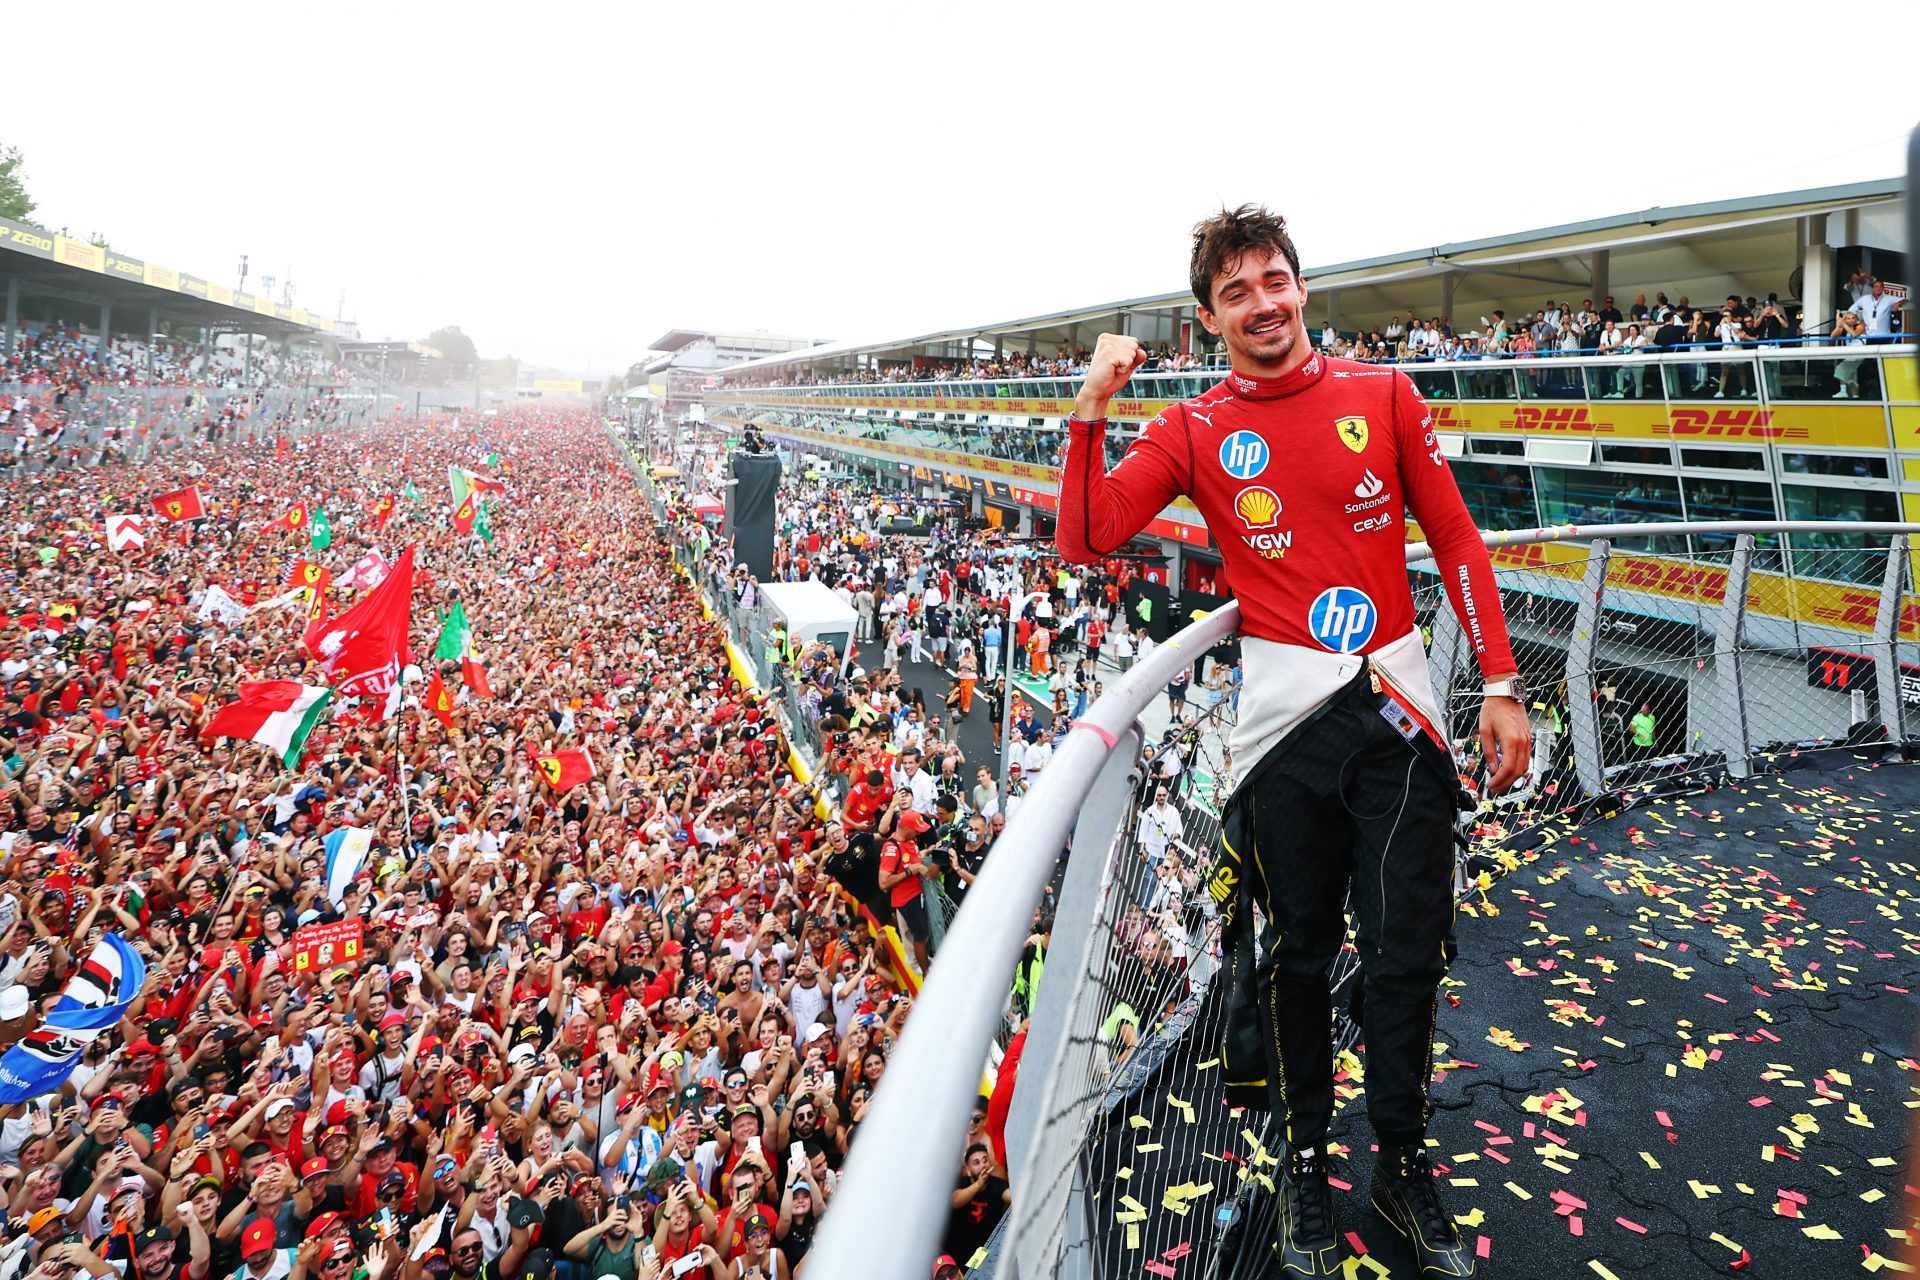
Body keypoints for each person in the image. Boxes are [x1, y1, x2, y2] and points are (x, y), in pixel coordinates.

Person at [1055, 205, 1528, 1276]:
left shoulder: (1384, 394)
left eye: (1275, 280)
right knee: (1296, 962)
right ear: (1208, 314)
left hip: (1400, 718)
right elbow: (1085, 534)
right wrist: (1092, 405)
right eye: (1236, 290)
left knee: (1408, 954)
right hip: (1282, 738)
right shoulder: (1191, 426)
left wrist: (1500, 678)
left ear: (1302, 288)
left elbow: (1454, 533)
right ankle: (1307, 1157)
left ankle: (1403, 1158)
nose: (1262, 302)